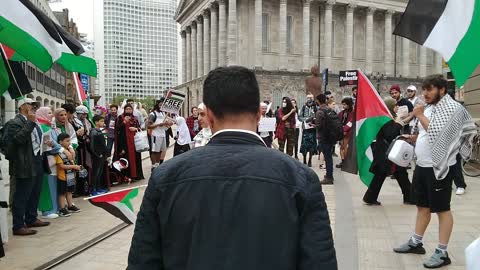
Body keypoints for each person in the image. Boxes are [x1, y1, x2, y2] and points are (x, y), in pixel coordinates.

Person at [128, 66, 337, 269]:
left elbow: (143, 262)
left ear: (208, 116)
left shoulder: (165, 177)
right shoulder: (301, 178)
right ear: (258, 114)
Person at [393, 75, 476, 268]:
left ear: (442, 90)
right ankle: (416, 242)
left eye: (429, 90)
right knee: (422, 206)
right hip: (422, 166)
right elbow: (427, 133)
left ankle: (442, 251)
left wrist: (419, 115)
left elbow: (443, 136)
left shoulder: (452, 109)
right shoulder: (429, 109)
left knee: (442, 209)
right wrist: (412, 138)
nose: (425, 94)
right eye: (424, 90)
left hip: (440, 167)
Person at [6, 98, 50, 235]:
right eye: (30, 105)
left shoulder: (33, 122)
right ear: (22, 107)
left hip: (37, 159)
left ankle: (31, 218)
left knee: (35, 192)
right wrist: (30, 122)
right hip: (23, 163)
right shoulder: (14, 123)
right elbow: (18, 139)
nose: (33, 107)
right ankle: (18, 225)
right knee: (22, 195)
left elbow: (37, 140)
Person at [362, 98, 412, 205]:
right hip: (385, 151)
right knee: (382, 175)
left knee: (400, 173)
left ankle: (410, 196)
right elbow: (390, 134)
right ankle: (369, 198)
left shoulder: (389, 117)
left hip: (391, 151)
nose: (397, 107)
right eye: (395, 105)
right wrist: (398, 124)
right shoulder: (385, 118)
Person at [37, 107, 66, 220]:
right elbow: (51, 145)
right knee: (47, 186)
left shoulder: (49, 126)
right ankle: (48, 210)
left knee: (52, 185)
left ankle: (54, 208)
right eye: (49, 113)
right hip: (47, 161)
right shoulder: (43, 127)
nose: (51, 115)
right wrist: (61, 148)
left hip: (51, 161)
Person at [114, 104, 144, 181]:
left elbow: (139, 128)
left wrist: (135, 129)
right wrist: (124, 122)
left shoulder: (135, 118)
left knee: (135, 158)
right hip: (124, 142)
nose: (128, 111)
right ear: (124, 110)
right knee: (125, 158)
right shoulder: (120, 118)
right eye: (127, 109)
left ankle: (136, 176)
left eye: (130, 109)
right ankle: (125, 177)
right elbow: (116, 129)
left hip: (134, 142)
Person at [55, 133, 81, 217]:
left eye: (69, 140)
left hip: (70, 176)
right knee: (62, 193)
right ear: (60, 142)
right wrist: (74, 166)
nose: (69, 143)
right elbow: (61, 166)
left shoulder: (69, 150)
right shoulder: (58, 152)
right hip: (62, 177)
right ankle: (62, 208)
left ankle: (70, 205)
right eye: (67, 141)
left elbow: (72, 159)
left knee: (69, 191)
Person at [146, 99, 173, 170]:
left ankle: (157, 164)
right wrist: (159, 124)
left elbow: (165, 125)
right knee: (154, 151)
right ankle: (153, 166)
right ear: (157, 105)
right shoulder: (153, 114)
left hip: (162, 135)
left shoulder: (163, 114)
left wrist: (169, 124)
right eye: (160, 105)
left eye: (163, 105)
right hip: (155, 135)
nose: (162, 106)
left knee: (161, 150)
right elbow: (148, 126)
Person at [315, 94, 335, 185]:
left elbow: (318, 126)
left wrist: (313, 124)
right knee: (329, 157)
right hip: (330, 136)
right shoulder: (329, 109)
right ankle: (329, 175)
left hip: (324, 137)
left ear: (318, 101)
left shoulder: (320, 111)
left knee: (327, 158)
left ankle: (329, 177)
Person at [90, 115, 111, 195]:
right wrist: (97, 154)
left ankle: (98, 188)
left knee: (100, 172)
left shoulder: (100, 131)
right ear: (96, 122)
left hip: (102, 155)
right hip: (97, 156)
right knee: (95, 173)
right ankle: (93, 190)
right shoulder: (94, 131)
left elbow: (103, 144)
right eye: (101, 121)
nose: (103, 123)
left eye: (103, 121)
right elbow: (92, 146)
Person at [299, 94, 317, 167]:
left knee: (312, 146)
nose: (309, 99)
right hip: (306, 129)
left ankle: (310, 160)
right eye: (308, 98)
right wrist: (306, 120)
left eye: (310, 98)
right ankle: (304, 160)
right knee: (304, 145)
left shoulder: (315, 107)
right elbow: (299, 117)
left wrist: (314, 120)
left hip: (312, 129)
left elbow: (318, 116)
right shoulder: (303, 107)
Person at [336, 97, 354, 168]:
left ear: (349, 105)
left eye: (344, 104)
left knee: (345, 147)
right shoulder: (342, 112)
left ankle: (345, 162)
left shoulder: (352, 113)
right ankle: (343, 161)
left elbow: (351, 122)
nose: (343, 106)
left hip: (348, 132)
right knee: (342, 147)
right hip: (342, 131)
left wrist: (345, 130)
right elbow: (338, 120)